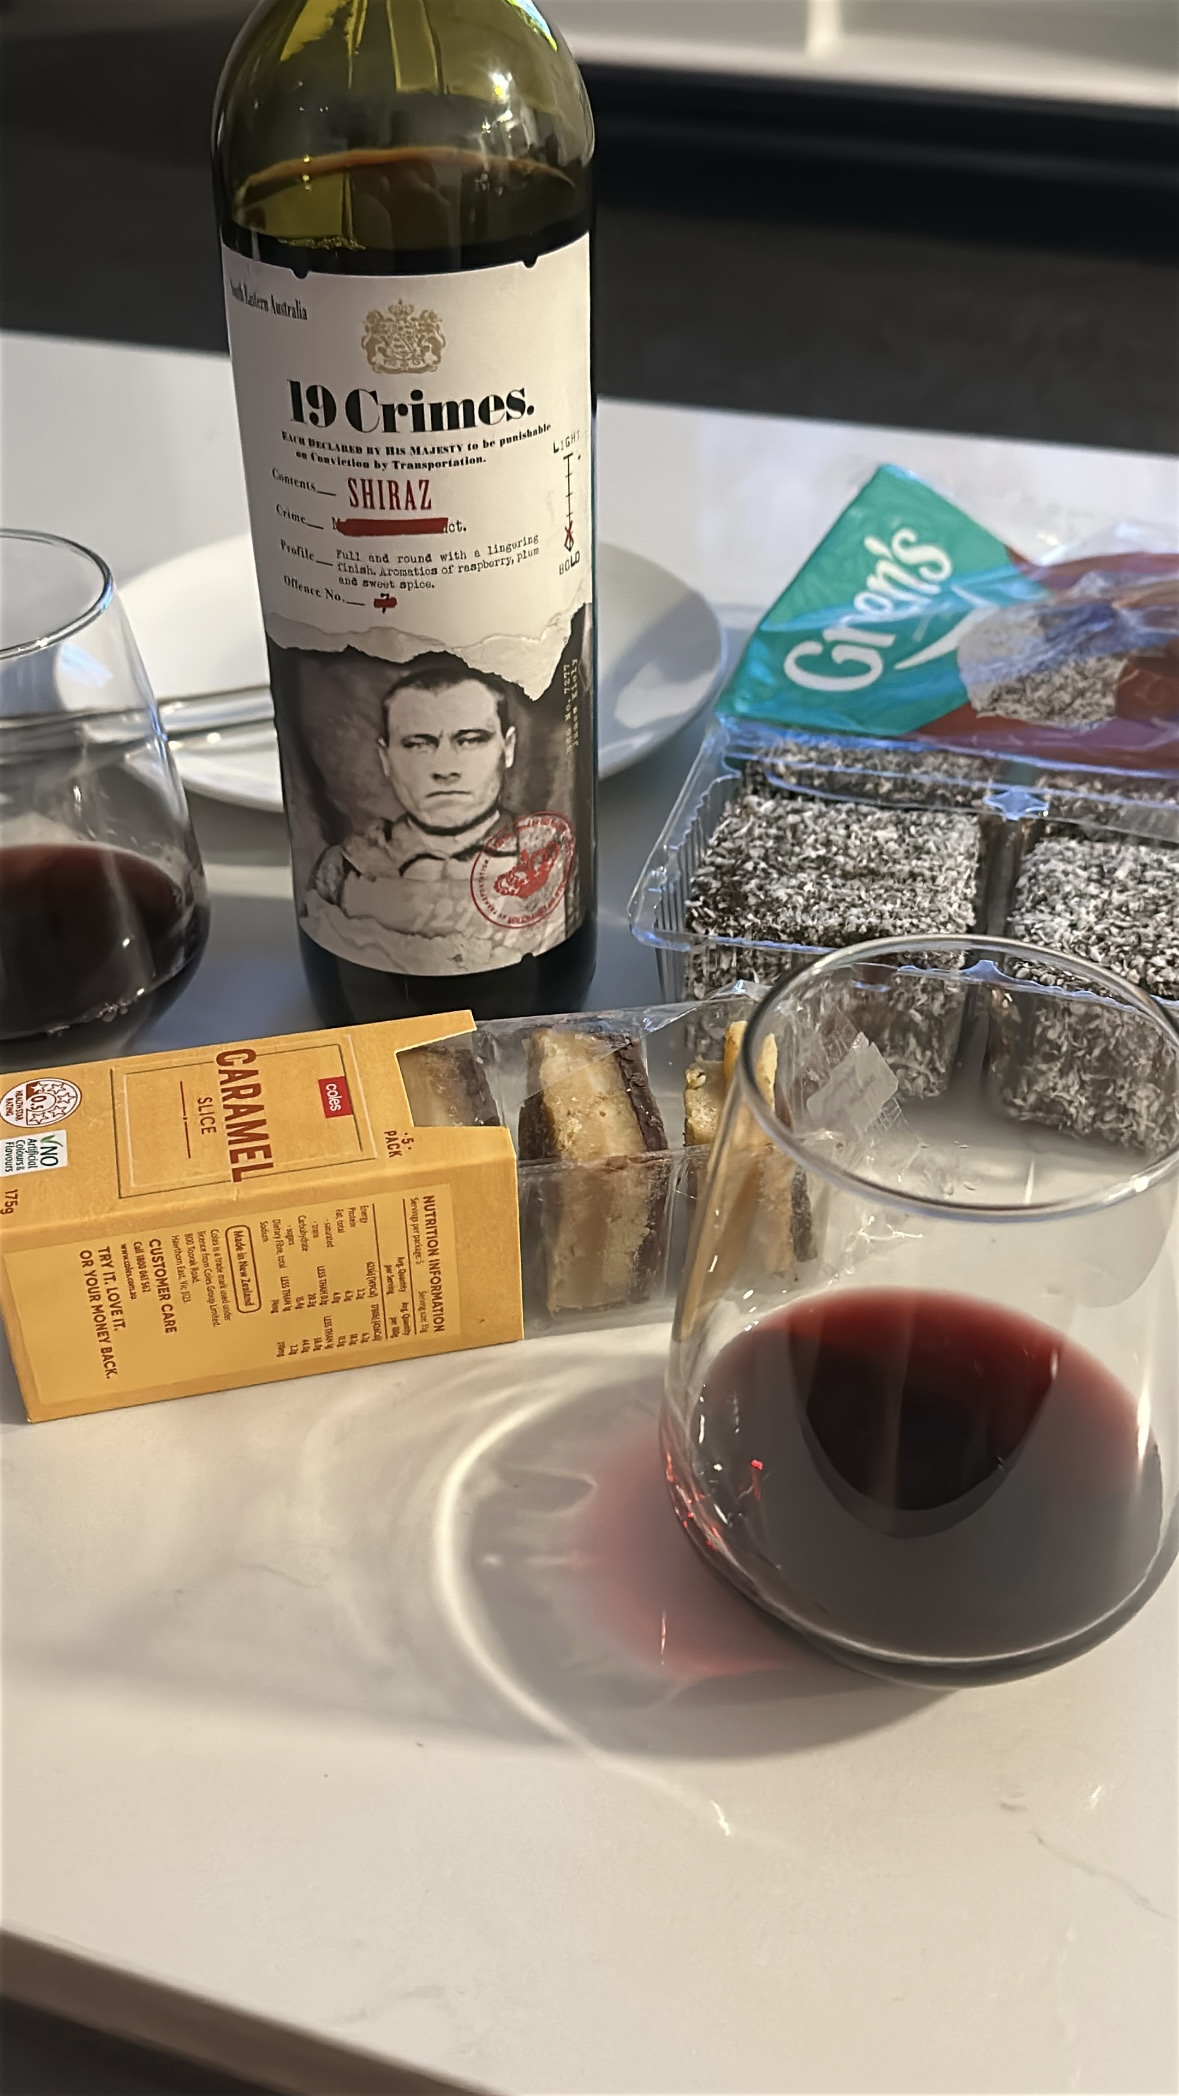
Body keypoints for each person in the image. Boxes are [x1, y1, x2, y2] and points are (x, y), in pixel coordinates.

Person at [304, 650, 564, 972]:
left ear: (507, 748)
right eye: (417, 744)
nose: (444, 769)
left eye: (470, 740)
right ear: (385, 759)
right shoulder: (345, 868)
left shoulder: (548, 858)